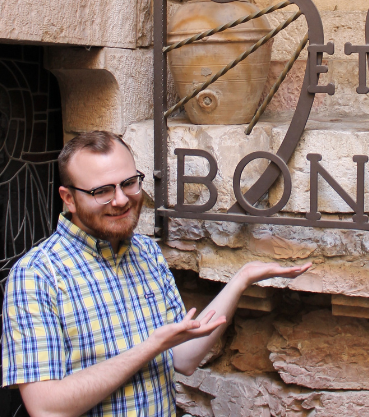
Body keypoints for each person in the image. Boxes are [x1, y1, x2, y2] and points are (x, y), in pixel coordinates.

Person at [1, 131, 311, 417]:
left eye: (129, 183)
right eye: (102, 191)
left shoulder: (146, 253)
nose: (121, 199)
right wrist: (150, 346)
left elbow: (184, 358)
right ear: (68, 198)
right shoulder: (37, 276)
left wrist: (241, 279)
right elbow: (45, 407)